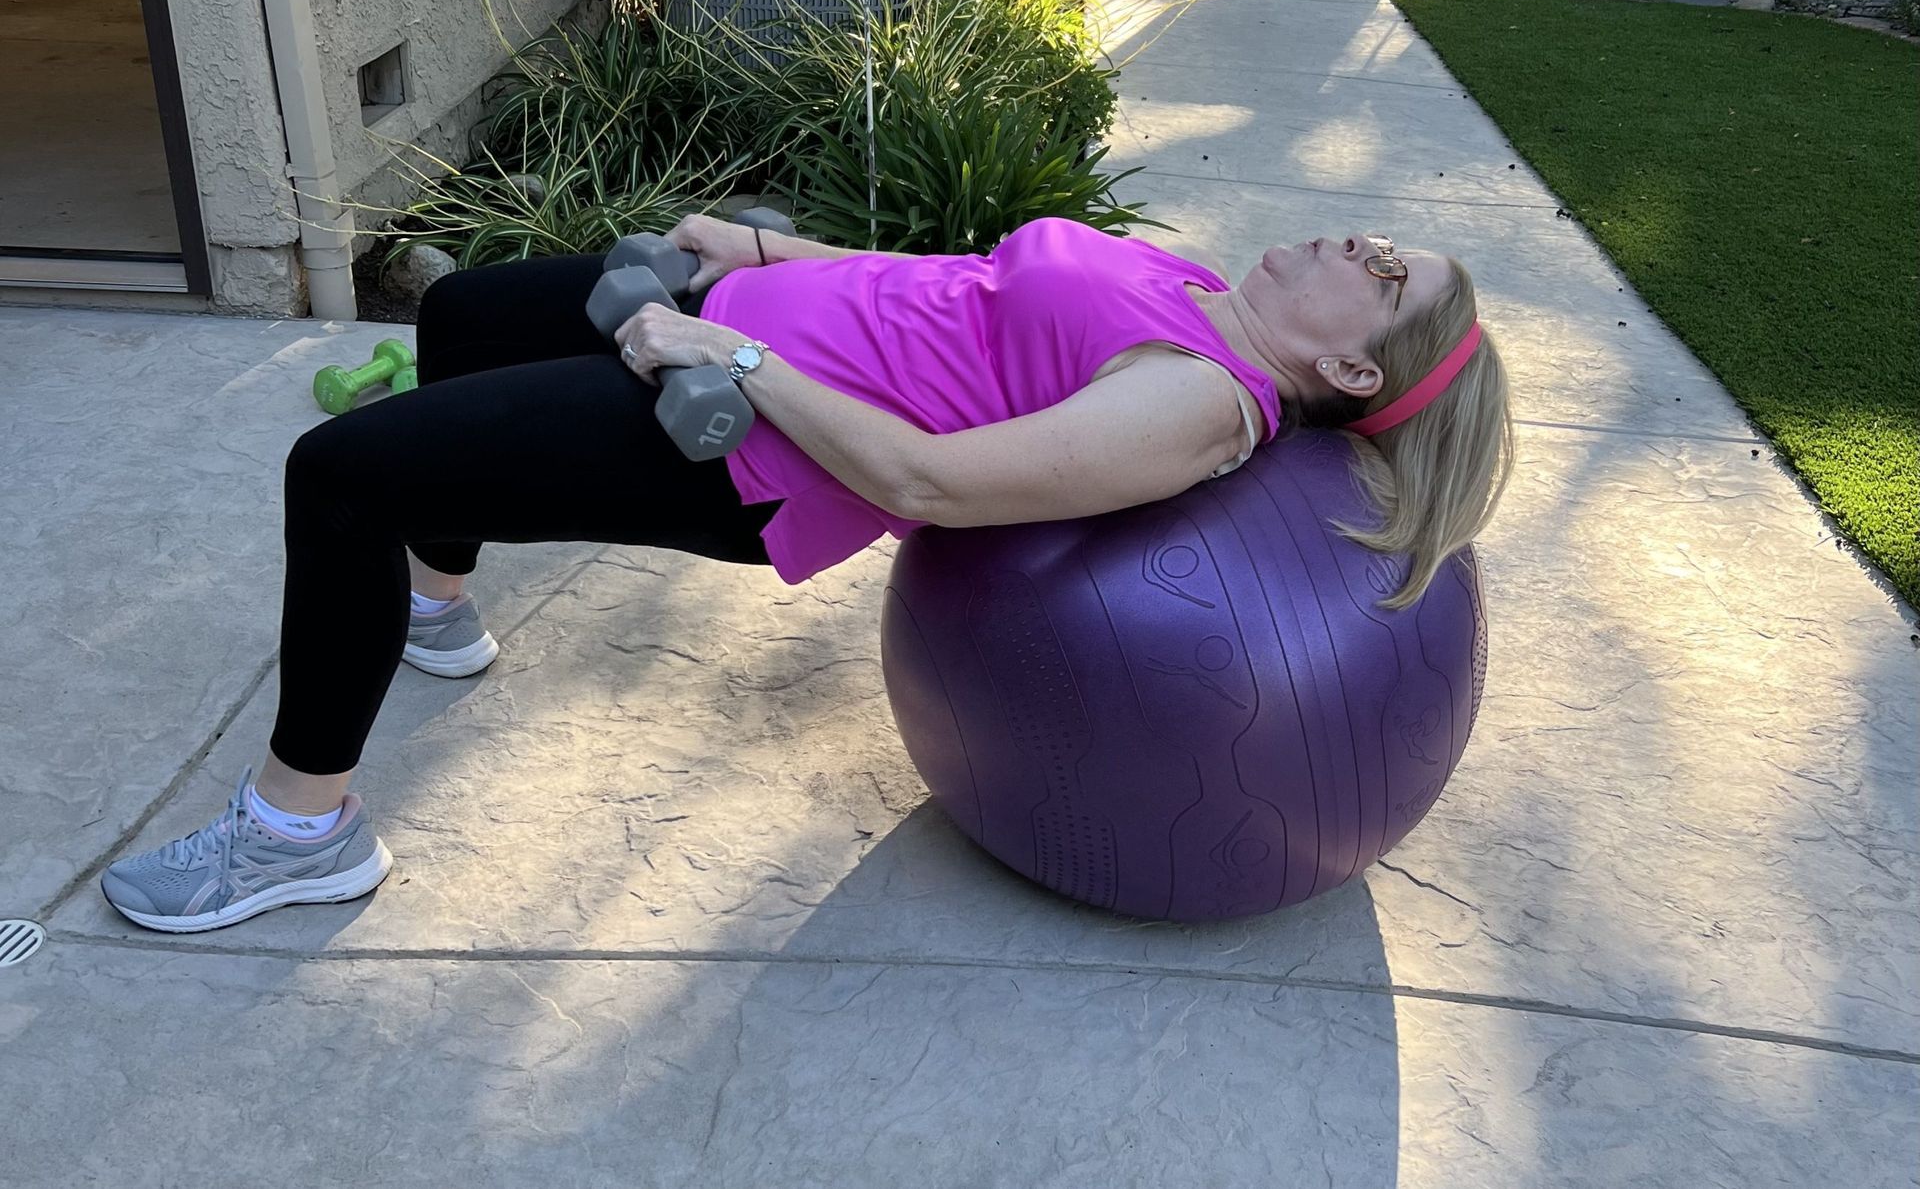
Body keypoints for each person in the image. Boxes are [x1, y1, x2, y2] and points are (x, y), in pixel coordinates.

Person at [98, 213, 1513, 933]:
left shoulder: (1205, 403)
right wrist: (770, 254)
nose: (1349, 240)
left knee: (341, 476)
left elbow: (930, 482)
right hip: (728, 329)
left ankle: (297, 836)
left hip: (745, 442)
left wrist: (736, 358)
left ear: (1346, 368)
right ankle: (435, 604)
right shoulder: (1195, 285)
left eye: (1384, 270)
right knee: (464, 311)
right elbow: (967, 285)